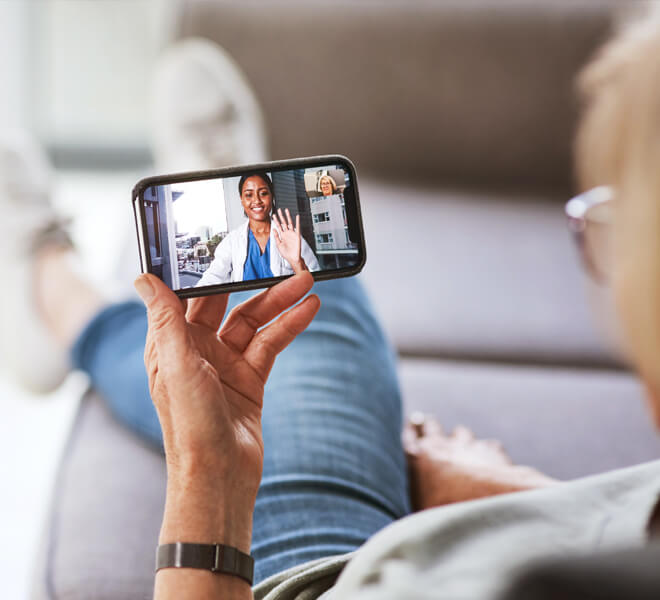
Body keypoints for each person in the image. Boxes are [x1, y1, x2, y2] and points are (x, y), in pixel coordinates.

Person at [197, 172, 320, 286]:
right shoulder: (232, 241)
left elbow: (317, 282)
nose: (256, 200)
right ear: (242, 200)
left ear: (272, 196)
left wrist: (297, 263)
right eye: (249, 195)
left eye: (263, 193)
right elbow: (211, 278)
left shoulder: (289, 237)